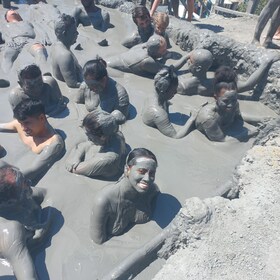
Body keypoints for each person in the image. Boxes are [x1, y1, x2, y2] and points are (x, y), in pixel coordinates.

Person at [90, 148, 159, 244]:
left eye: (152, 173)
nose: (147, 179)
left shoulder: (152, 191)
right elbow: (98, 242)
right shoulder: (103, 201)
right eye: (141, 171)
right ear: (127, 169)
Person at [0, 165, 53, 280]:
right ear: (11, 202)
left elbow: (47, 193)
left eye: (26, 181)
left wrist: (46, 222)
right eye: (25, 186)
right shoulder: (10, 231)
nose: (30, 183)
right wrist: (35, 241)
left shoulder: (24, 194)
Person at [0, 99, 65, 183]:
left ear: (41, 118)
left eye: (27, 123)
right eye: (21, 123)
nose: (23, 128)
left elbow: (33, 170)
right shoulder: (21, 123)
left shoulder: (53, 144)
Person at [177, 49, 280, 97]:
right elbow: (248, 85)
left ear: (198, 68)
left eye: (189, 61)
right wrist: (266, 62)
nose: (187, 62)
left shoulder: (183, 85)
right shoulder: (216, 85)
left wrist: (185, 56)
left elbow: (171, 69)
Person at [65, 110, 126, 179]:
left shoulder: (106, 159)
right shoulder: (115, 132)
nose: (88, 138)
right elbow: (86, 145)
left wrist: (70, 159)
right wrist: (76, 156)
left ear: (102, 137)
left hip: (105, 167)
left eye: (88, 135)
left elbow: (74, 169)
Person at [142, 66, 197, 138]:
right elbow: (176, 136)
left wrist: (166, 103)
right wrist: (192, 119)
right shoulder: (159, 113)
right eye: (173, 90)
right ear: (163, 90)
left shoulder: (151, 95)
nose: (176, 92)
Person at [76, 57, 130, 124]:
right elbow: (77, 105)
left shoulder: (120, 96)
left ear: (104, 79)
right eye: (88, 84)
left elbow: (120, 121)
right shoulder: (85, 86)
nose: (90, 89)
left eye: (93, 85)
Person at [107, 34, 189, 77]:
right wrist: (186, 57)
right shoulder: (147, 61)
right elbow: (170, 69)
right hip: (110, 68)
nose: (166, 51)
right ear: (155, 52)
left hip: (109, 60)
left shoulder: (144, 46)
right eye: (163, 50)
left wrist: (163, 57)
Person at [51, 14, 82, 88]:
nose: (77, 33)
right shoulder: (65, 55)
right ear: (65, 34)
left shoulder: (55, 45)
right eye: (74, 31)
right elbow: (72, 84)